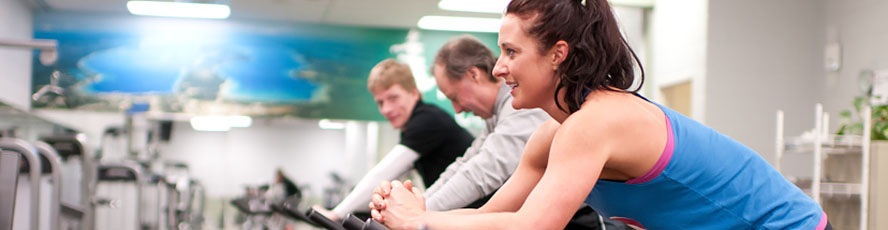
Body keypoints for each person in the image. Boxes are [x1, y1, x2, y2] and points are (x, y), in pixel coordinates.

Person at [368, 0, 830, 229]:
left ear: (557, 55)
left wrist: (419, 221)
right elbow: (493, 215)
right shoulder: (552, 137)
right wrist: (419, 211)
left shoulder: (596, 122)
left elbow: (530, 227)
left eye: (510, 51)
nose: (498, 66)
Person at [314, 59, 475, 220]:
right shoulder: (412, 126)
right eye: (380, 102)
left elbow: (383, 173)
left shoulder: (427, 120)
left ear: (414, 93)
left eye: (393, 98)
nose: (386, 109)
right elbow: (390, 185)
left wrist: (335, 213)